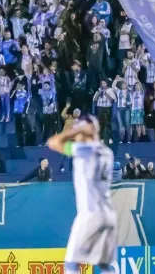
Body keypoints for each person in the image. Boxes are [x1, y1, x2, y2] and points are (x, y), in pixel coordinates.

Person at [46, 115, 116, 274]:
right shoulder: (107, 152)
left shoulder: (85, 150)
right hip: (108, 214)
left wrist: (72, 131)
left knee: (71, 264)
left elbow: (53, 142)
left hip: (89, 214)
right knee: (105, 265)